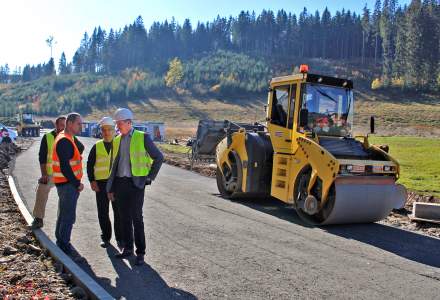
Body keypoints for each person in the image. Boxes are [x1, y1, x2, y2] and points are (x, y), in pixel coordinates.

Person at [107, 108, 163, 266]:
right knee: (123, 217)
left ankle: (140, 252)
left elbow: (158, 157)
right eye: (116, 123)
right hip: (120, 183)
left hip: (136, 184)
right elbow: (114, 166)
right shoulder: (117, 140)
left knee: (137, 218)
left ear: (129, 122)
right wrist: (110, 188)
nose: (117, 127)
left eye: (119, 123)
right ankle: (127, 249)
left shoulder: (142, 137)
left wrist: (150, 177)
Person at [87, 117, 122, 248]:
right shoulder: (97, 146)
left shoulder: (119, 145)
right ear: (101, 131)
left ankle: (120, 238)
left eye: (109, 130)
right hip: (100, 185)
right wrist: (92, 181)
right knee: (103, 211)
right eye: (104, 130)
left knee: (118, 212)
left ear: (114, 130)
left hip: (116, 184)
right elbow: (90, 165)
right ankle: (106, 238)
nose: (107, 132)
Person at [52, 113, 85, 254]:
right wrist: (77, 183)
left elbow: (80, 148)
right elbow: (65, 167)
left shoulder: (67, 138)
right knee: (68, 215)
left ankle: (60, 239)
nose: (81, 126)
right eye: (79, 123)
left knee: (63, 213)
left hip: (65, 184)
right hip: (68, 185)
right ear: (70, 124)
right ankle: (64, 245)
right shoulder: (65, 140)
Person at [31, 116, 66, 229]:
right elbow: (42, 157)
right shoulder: (47, 137)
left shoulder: (69, 137)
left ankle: (61, 223)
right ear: (56, 125)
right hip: (50, 174)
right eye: (61, 125)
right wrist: (44, 174)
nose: (63, 128)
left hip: (64, 175)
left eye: (65, 126)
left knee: (65, 198)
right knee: (42, 189)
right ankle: (38, 218)